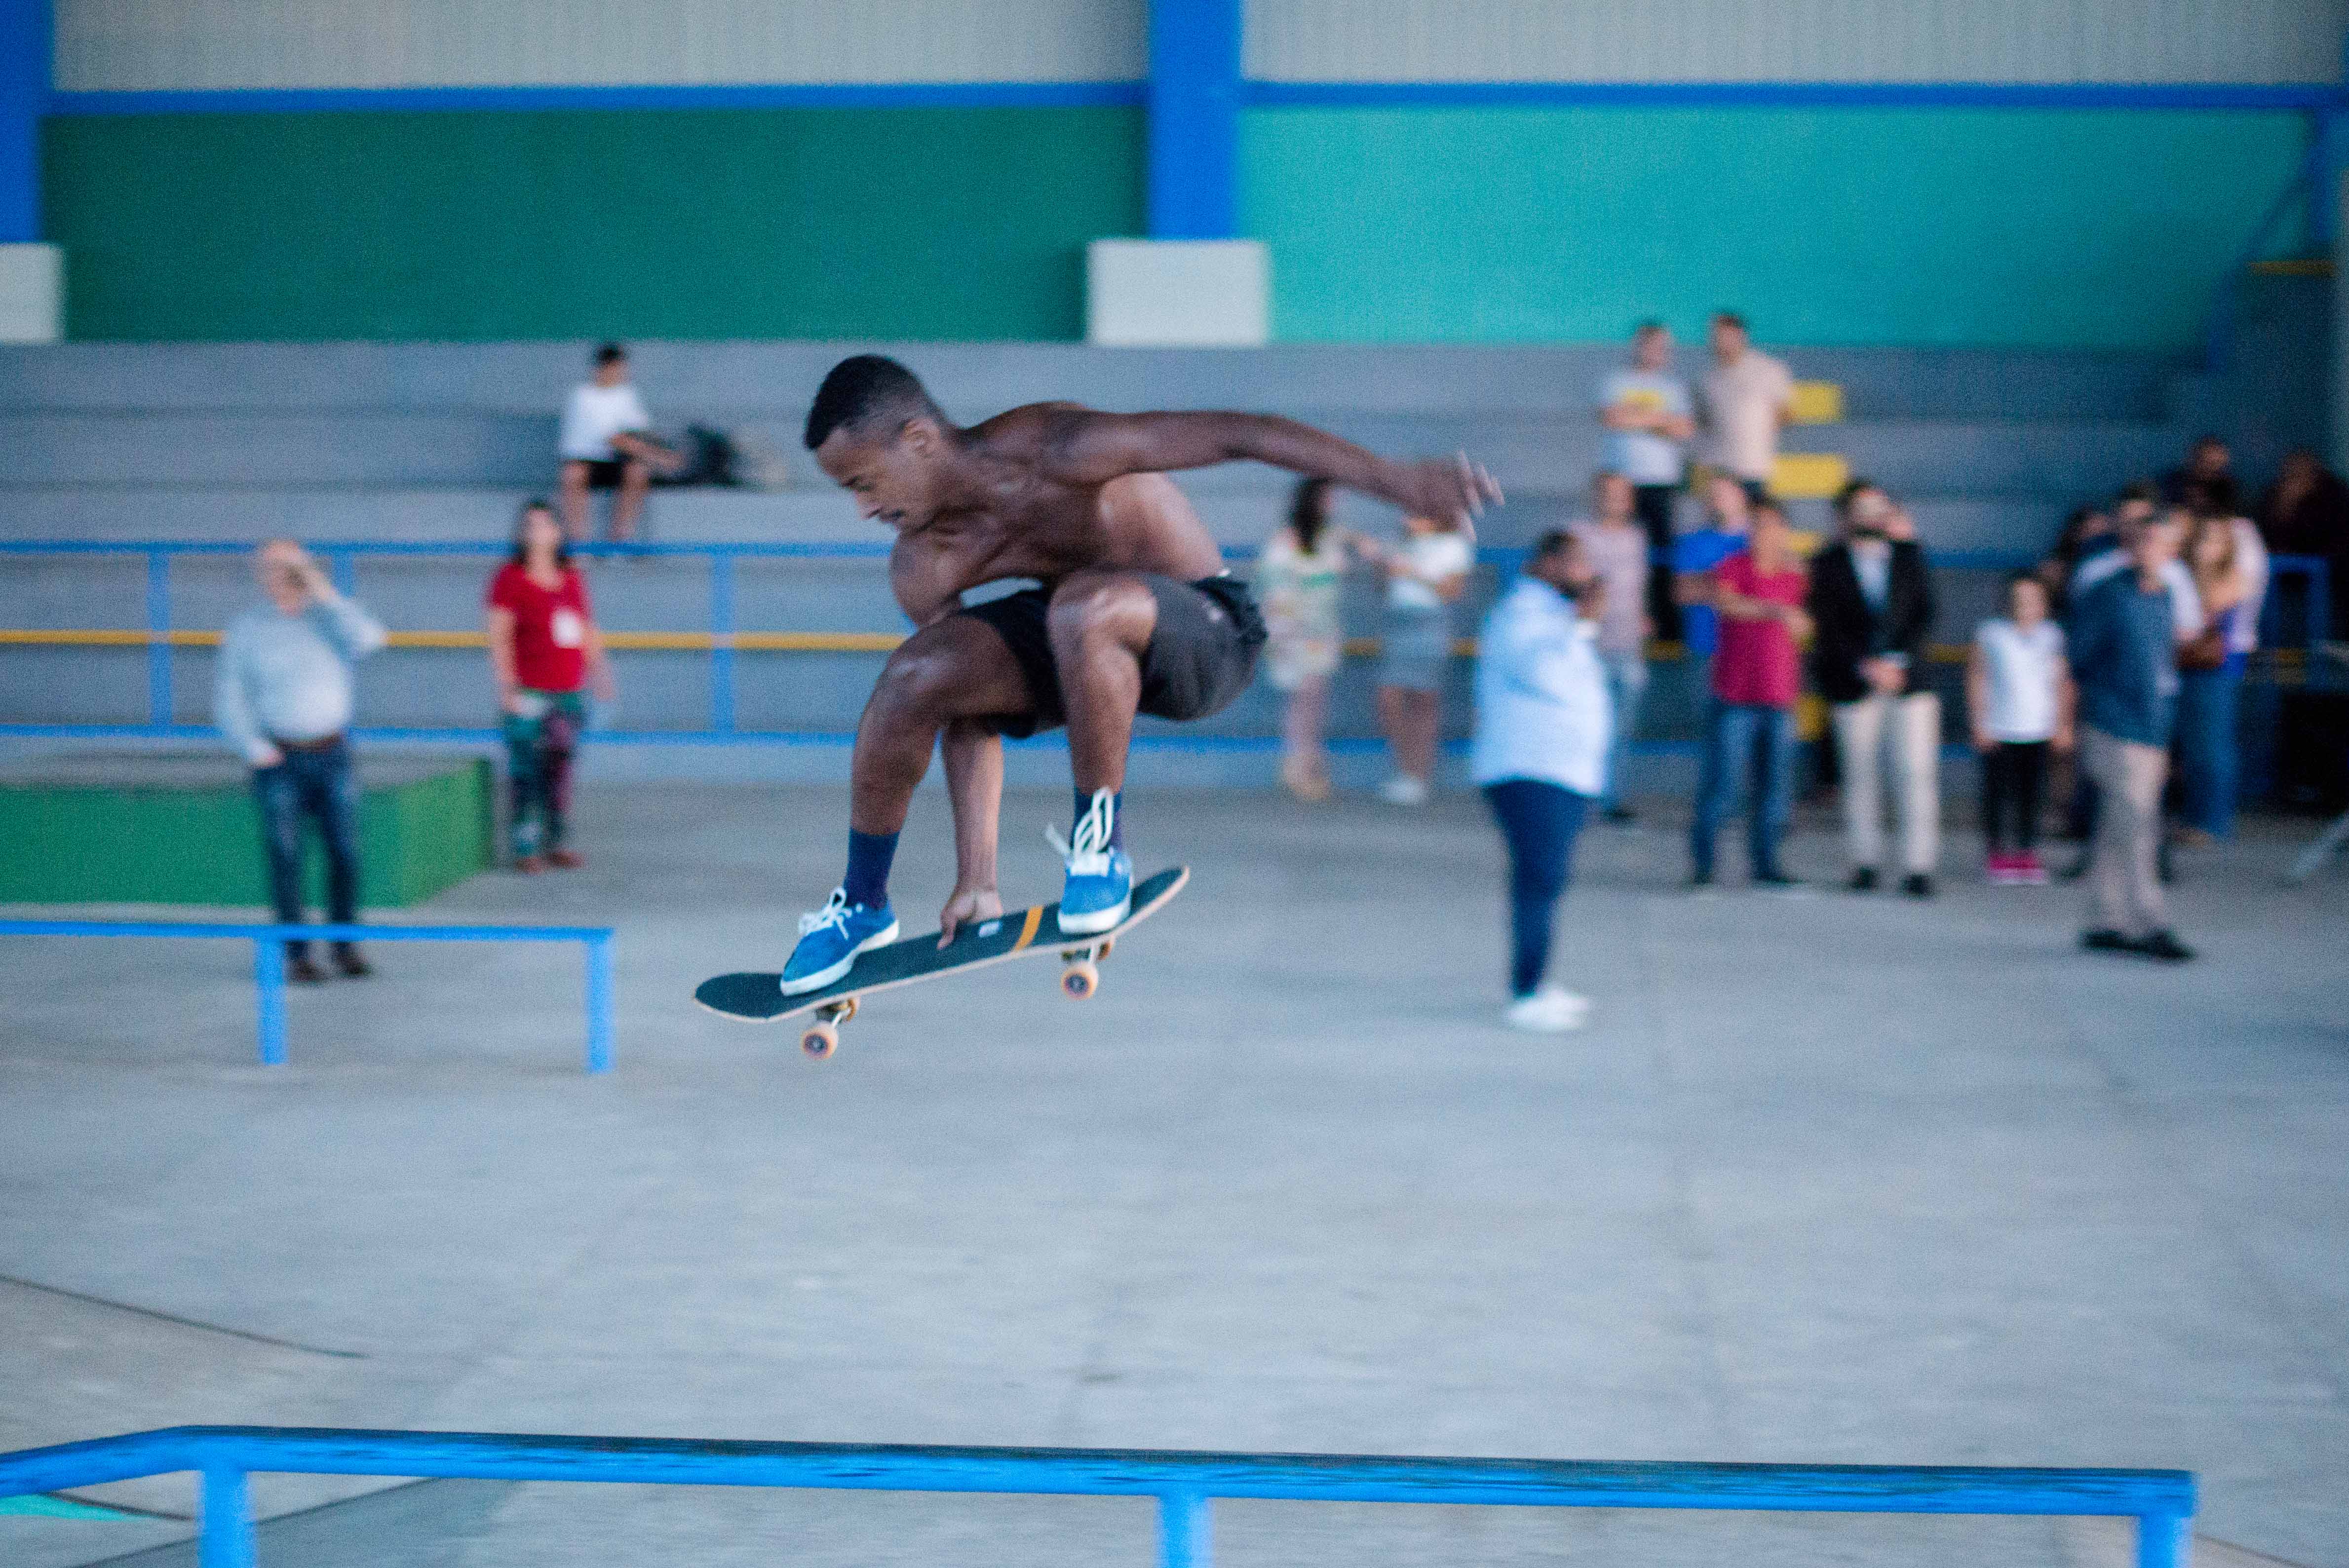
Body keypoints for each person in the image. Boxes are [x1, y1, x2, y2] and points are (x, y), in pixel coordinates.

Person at [779, 355, 1499, 994]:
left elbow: (1237, 432)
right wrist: (979, 875)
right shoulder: (922, 561)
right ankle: (863, 903)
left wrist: (1397, 482)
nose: (864, 507)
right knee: (918, 674)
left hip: (1207, 635)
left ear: (919, 440)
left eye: (864, 482)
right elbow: (965, 715)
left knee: (1083, 604)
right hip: (1080, 645)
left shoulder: (1054, 446)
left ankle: (1099, 847)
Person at [214, 539, 388, 982]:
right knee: (286, 857)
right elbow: (230, 696)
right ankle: (297, 954)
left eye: (285, 565)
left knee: (345, 853)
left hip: (333, 754)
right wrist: (253, 747)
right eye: (268, 566)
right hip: (280, 758)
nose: (275, 573)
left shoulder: (331, 618)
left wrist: (320, 587)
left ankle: (345, 945)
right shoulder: (248, 628)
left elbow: (371, 639)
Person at [1471, 531, 1611, 1033]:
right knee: (1538, 880)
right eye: (1579, 564)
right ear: (1549, 563)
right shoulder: (1518, 616)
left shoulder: (1550, 614)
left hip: (1560, 771)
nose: (1589, 576)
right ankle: (1525, 993)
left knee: (1548, 882)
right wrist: (1586, 625)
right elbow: (1546, 675)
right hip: (1531, 770)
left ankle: (1538, 980)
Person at [2070, 509, 2196, 961]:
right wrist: (2107, 699)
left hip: (2152, 725)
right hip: (2115, 724)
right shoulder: (2107, 594)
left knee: (2114, 823)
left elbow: (2162, 663)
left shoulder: (2163, 597)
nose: (2150, 552)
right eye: (2142, 542)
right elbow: (2080, 655)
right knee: (2139, 826)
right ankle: (2150, 922)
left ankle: (2105, 918)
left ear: (2170, 552)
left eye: (2159, 544)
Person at [1810, 480, 1940, 896]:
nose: (1870, 515)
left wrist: (1898, 660)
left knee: (1914, 773)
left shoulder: (1910, 555)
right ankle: (1863, 861)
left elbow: (1926, 614)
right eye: (1861, 507)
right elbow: (1827, 625)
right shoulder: (1826, 563)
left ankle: (1918, 865)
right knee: (1859, 775)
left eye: (1877, 506)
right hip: (1853, 680)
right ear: (1846, 515)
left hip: (1908, 680)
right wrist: (1865, 665)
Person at [487, 499, 616, 872]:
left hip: (567, 690)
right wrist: (507, 686)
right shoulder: (510, 577)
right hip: (529, 690)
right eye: (530, 525)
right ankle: (525, 845)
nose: (537, 532)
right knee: (525, 768)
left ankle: (557, 839)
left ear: (558, 532)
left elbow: (586, 628)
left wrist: (601, 673)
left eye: (545, 524)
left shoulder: (571, 576)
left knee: (561, 766)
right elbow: (500, 636)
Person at [1689, 499, 1811, 889]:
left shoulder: (1796, 576)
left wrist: (1796, 621)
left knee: (1773, 787)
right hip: (1734, 694)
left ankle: (1765, 864)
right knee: (1721, 785)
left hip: (1778, 696)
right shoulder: (1733, 567)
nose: (1761, 533)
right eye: (1756, 526)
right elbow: (1727, 605)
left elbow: (1806, 626)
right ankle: (1703, 866)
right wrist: (1776, 611)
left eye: (1769, 526)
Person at [1258, 477, 1362, 801]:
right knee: (1301, 697)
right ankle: (1299, 762)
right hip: (1293, 633)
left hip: (1323, 632)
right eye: (1328, 499)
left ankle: (1307, 760)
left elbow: (1353, 558)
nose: (1334, 506)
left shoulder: (1330, 539)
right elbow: (1276, 592)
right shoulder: (1284, 542)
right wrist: (1285, 631)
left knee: (1314, 699)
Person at [1968, 574, 2074, 884]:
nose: (2024, 606)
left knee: (2033, 794)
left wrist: (2063, 723)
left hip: (2038, 727)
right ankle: (1997, 854)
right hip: (2000, 727)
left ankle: (2027, 853)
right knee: (1998, 794)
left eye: (2032, 600)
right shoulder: (1991, 634)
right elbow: (1978, 676)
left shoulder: (2052, 636)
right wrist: (1979, 721)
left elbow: (2062, 683)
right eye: (2019, 599)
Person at [1597, 320, 1694, 638]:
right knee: (1619, 552)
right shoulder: (1616, 381)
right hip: (1622, 482)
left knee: (1662, 556)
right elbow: (1612, 418)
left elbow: (1683, 429)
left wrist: (1637, 417)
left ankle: (1667, 630)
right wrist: (1661, 420)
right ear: (1638, 346)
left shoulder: (1674, 387)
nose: (1655, 352)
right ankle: (1619, 623)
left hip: (1662, 482)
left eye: (1661, 347)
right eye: (1650, 345)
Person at [1568, 470, 1653, 823]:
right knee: (1584, 725)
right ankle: (1578, 795)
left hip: (1628, 644)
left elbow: (1638, 586)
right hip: (1589, 646)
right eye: (1606, 492)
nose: (1613, 499)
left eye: (1620, 494)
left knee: (1621, 728)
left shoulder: (1636, 538)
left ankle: (1611, 799)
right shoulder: (1578, 534)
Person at [1374, 512, 1474, 806]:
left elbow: (1452, 591)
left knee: (1423, 700)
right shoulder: (1400, 541)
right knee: (1389, 698)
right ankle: (1404, 769)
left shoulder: (1454, 545)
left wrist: (1410, 571)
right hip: (1398, 619)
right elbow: (1384, 586)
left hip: (1430, 622)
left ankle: (1419, 775)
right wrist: (1383, 568)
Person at [2172, 509, 2254, 845]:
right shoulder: (2185, 572)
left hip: (2216, 668)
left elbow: (2206, 608)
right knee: (2193, 746)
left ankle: (2212, 821)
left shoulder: (2232, 575)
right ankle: (2193, 817)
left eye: (2216, 539)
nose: (2207, 545)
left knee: (2213, 747)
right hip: (2187, 665)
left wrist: (2199, 570)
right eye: (2203, 537)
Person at [558, 343, 683, 542]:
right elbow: (614, 439)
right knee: (573, 474)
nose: (621, 373)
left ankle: (621, 538)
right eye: (616, 368)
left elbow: (641, 432)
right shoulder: (582, 396)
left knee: (638, 472)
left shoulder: (627, 394)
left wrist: (663, 453)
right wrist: (661, 458)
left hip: (616, 463)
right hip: (586, 463)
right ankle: (579, 542)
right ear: (602, 368)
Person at [1696, 311, 1794, 504]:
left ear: (1740, 335)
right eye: (1716, 336)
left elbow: (1787, 413)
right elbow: (1704, 419)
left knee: (1753, 519)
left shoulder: (1768, 370)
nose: (1721, 341)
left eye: (1726, 335)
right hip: (1719, 468)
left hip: (1753, 465)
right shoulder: (1707, 379)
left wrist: (1754, 436)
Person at [1672, 473, 1752, 693]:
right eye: (1712, 496)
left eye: (1724, 495)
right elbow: (1683, 593)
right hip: (1705, 648)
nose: (1717, 500)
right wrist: (1735, 583)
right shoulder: (1691, 543)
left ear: (1742, 497)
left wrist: (1708, 583)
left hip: (1751, 650)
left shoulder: (1758, 541)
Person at [2159, 434, 2239, 518]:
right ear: (2196, 458)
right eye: (2207, 461)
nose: (2210, 467)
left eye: (2215, 463)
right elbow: (2171, 510)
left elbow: (2227, 516)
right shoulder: (2176, 481)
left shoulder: (2226, 486)